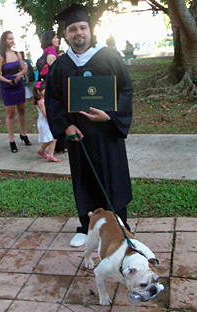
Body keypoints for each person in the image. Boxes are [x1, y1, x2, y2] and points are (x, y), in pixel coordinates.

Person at [45, 4, 133, 247]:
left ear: (90, 30)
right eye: (73, 29)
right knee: (84, 180)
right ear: (66, 35)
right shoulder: (61, 65)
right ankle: (86, 226)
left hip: (107, 133)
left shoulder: (109, 56)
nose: (78, 33)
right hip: (79, 135)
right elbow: (52, 99)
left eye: (83, 27)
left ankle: (120, 224)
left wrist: (110, 117)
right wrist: (65, 127)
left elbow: (125, 89)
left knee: (113, 177)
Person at [0, 31, 32, 152]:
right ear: (4, 41)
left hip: (18, 85)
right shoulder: (1, 57)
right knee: (10, 113)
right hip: (7, 87)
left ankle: (24, 134)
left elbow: (24, 67)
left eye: (13, 38)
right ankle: (12, 140)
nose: (12, 41)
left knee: (22, 110)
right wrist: (7, 80)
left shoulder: (17, 54)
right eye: (10, 39)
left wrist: (20, 74)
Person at [33, 81, 61, 162]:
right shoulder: (41, 102)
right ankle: (50, 156)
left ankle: (42, 151)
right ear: (38, 92)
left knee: (51, 139)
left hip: (48, 121)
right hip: (45, 122)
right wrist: (53, 119)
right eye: (44, 89)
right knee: (52, 139)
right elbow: (45, 114)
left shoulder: (46, 100)